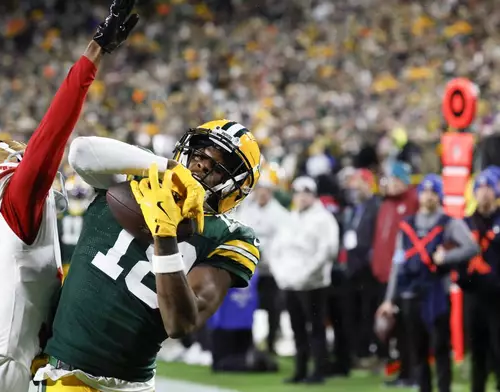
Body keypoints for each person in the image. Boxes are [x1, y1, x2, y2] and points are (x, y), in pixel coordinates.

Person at [0, 2, 139, 391]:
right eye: (14, 156)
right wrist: (93, 54)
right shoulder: (5, 202)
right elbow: (50, 137)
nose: (23, 158)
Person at [35, 118, 262, 391]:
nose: (202, 164)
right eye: (201, 154)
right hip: (68, 376)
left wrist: (164, 238)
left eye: (218, 166)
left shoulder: (230, 236)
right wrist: (166, 167)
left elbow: (181, 323)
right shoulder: (138, 175)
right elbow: (81, 152)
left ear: (235, 186)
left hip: (132, 384)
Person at [377, 174, 478, 392]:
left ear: (439, 195)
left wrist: (447, 257)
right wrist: (389, 298)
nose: (428, 197)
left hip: (437, 292)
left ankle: (444, 388)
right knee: (417, 349)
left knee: (440, 347)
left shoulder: (449, 222)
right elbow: (398, 262)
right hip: (411, 292)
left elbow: (471, 247)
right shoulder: (408, 224)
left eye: (433, 192)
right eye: (424, 192)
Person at [269, 176, 340, 384]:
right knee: (296, 328)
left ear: (313, 195)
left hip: (313, 284)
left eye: (306, 194)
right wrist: (281, 275)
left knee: (316, 328)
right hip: (289, 283)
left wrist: (305, 275)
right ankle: (300, 369)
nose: (302, 198)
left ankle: (319, 370)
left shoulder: (323, 219)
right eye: (299, 194)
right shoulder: (290, 218)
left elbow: (327, 251)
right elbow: (276, 250)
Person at [371, 161, 419, 387]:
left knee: (407, 327)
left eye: (392, 179)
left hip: (403, 275)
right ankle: (402, 372)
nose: (388, 184)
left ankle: (412, 373)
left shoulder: (412, 202)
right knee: (394, 328)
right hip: (384, 275)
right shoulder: (386, 204)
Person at [232, 168, 289, 354]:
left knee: (273, 308)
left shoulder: (280, 214)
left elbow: (283, 241)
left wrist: (265, 251)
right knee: (246, 306)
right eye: (260, 189)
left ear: (271, 191)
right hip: (250, 269)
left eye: (266, 189)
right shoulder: (247, 211)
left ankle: (272, 343)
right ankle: (246, 343)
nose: (262, 193)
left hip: (271, 270)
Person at [458, 170, 500, 392]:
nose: (484, 193)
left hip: (497, 297)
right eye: (480, 188)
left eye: (489, 188)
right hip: (474, 295)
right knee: (477, 352)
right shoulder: (465, 223)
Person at [342, 169, 382, 365]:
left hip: (367, 267)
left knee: (368, 311)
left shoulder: (376, 206)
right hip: (352, 266)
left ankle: (368, 351)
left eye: (360, 183)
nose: (355, 188)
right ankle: (357, 351)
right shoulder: (353, 207)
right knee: (354, 311)